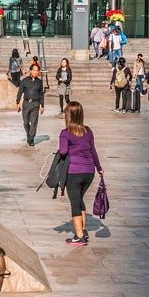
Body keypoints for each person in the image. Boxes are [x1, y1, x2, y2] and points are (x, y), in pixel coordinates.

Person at [60, 102, 103, 246]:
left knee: (75, 203)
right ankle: (83, 230)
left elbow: (63, 151)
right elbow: (93, 151)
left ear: (68, 115)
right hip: (89, 172)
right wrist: (99, 168)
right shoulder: (88, 131)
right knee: (79, 199)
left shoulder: (65, 133)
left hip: (74, 172)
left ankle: (79, 237)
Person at [16, 61, 46, 146]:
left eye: (37, 70)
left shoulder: (39, 82)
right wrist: (17, 103)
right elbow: (20, 92)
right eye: (34, 70)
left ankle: (31, 138)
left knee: (34, 123)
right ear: (30, 71)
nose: (36, 72)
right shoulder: (24, 81)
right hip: (26, 104)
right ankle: (28, 134)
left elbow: (41, 95)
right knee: (26, 122)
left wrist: (42, 105)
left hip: (35, 104)